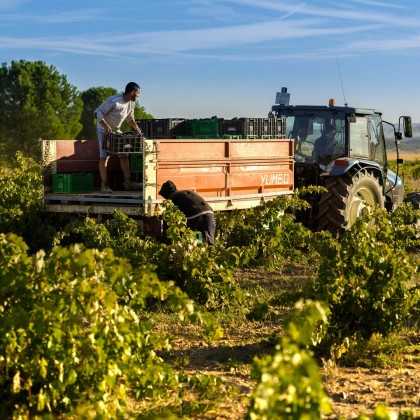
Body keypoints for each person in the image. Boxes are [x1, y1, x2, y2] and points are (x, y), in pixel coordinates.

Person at [95, 82, 142, 193]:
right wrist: (106, 127)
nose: (139, 96)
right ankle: (104, 185)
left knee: (124, 154)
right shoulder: (114, 100)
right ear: (132, 92)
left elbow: (130, 118)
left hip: (116, 130)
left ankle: (128, 182)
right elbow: (97, 112)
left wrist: (136, 128)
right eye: (138, 93)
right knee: (104, 156)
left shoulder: (131, 103)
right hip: (103, 130)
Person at [158, 180, 216, 245]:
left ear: (166, 193)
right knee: (209, 243)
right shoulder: (184, 193)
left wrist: (167, 240)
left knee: (187, 241)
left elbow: (170, 221)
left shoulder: (172, 197)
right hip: (209, 214)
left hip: (195, 216)